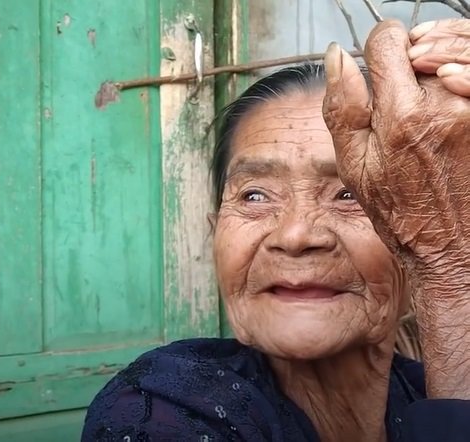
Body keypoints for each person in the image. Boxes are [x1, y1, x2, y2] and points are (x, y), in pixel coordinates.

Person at [81, 18, 470, 442]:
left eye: (350, 194)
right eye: (254, 196)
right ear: (215, 234)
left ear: (437, 224)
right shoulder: (159, 410)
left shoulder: (422, 389)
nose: (296, 235)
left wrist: (448, 274)